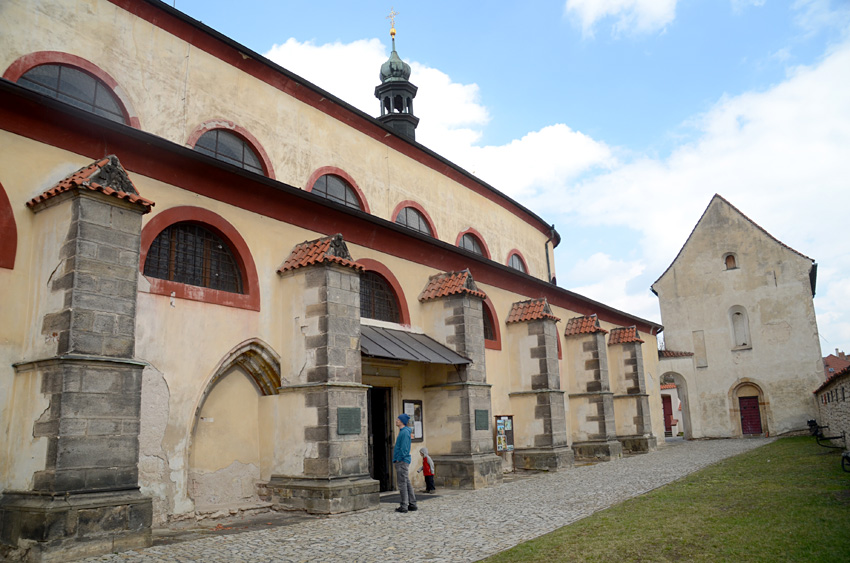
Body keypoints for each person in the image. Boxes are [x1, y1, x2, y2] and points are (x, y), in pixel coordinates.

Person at [392, 413, 417, 513]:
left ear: (402, 421)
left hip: (402, 461)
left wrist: (399, 458)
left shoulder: (404, 432)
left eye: (398, 419)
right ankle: (412, 503)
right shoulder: (404, 431)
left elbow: (404, 448)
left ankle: (404, 505)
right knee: (406, 482)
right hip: (402, 460)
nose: (396, 420)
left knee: (402, 484)